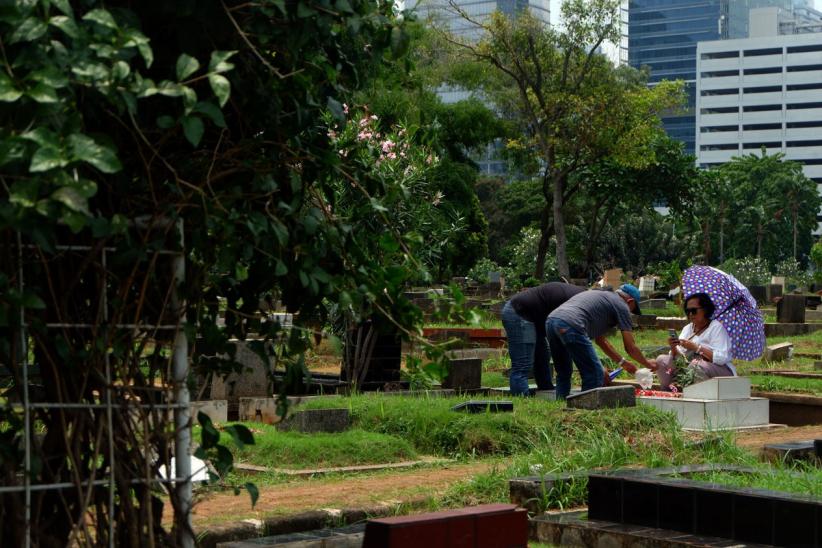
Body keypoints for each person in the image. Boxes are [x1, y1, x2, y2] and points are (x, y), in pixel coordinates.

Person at [546, 283, 657, 398]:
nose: (630, 313)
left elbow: (601, 341)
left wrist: (623, 363)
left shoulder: (603, 298)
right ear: (630, 301)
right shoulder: (621, 305)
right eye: (633, 309)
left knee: (563, 371)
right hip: (572, 323)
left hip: (552, 321)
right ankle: (587, 409)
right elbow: (630, 348)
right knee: (594, 374)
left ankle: (561, 404)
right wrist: (648, 364)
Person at [501, 282, 585, 396]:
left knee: (543, 356)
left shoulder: (581, 298)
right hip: (519, 313)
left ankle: (545, 391)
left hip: (535, 318)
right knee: (523, 363)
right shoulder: (577, 300)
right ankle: (521, 398)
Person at [653, 292, 736, 390]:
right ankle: (669, 392)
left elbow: (722, 358)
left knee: (696, 365)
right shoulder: (688, 328)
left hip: (719, 371)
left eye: (694, 311)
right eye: (688, 311)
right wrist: (673, 347)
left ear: (705, 309)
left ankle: (697, 396)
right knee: (662, 360)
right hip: (691, 367)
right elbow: (680, 358)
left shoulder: (717, 328)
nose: (691, 314)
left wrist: (697, 348)